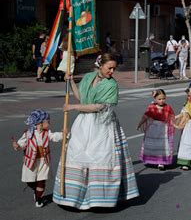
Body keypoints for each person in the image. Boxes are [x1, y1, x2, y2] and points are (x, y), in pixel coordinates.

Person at [52, 54, 139, 209]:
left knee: (100, 156)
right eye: (109, 67)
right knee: (77, 154)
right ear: (100, 65)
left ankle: (99, 198)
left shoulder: (111, 85)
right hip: (83, 123)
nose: (112, 71)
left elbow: (99, 107)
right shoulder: (88, 77)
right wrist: (70, 80)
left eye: (114, 68)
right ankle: (75, 197)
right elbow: (80, 96)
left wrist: (72, 107)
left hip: (102, 124)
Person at [12, 109, 65, 207]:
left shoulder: (46, 133)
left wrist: (64, 134)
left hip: (44, 161)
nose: (49, 123)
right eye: (47, 121)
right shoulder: (28, 134)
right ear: (40, 123)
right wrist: (17, 146)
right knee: (30, 182)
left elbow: (54, 136)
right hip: (31, 161)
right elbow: (21, 145)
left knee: (41, 181)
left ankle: (38, 199)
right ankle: (36, 190)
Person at [137, 89, 175, 170]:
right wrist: (140, 124)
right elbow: (145, 116)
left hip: (163, 129)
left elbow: (172, 117)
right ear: (155, 99)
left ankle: (161, 162)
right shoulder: (151, 107)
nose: (161, 101)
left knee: (162, 145)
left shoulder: (168, 107)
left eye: (163, 99)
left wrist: (175, 123)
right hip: (153, 128)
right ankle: (152, 159)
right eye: (159, 99)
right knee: (153, 144)